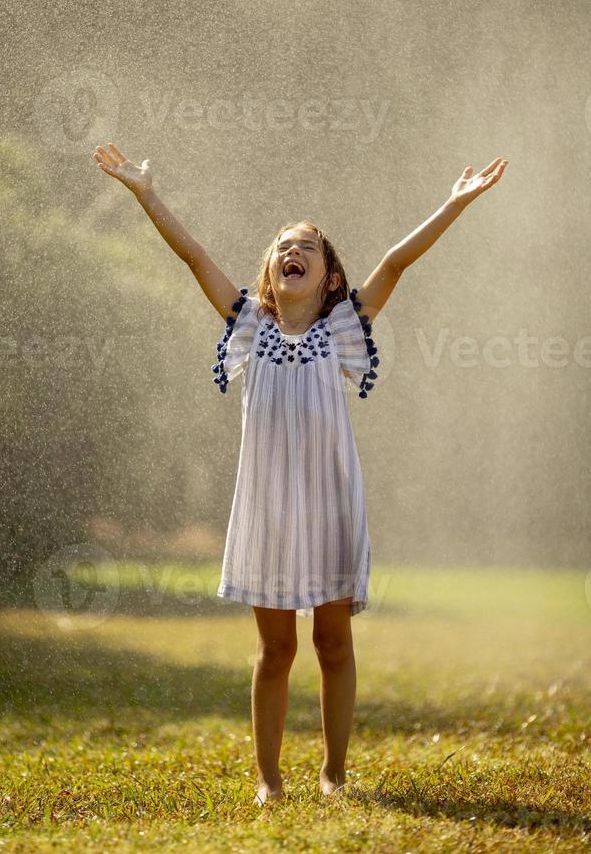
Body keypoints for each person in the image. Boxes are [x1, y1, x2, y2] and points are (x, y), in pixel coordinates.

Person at [91, 142, 508, 805]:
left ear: (330, 277)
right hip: (267, 511)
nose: (292, 249)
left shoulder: (346, 327)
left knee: (332, 643)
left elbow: (396, 261)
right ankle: (269, 779)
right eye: (284, 243)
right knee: (276, 650)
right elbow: (194, 256)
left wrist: (453, 204)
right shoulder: (250, 324)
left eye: (306, 246)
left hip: (330, 506)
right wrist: (145, 193)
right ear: (270, 270)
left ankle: (334, 776)